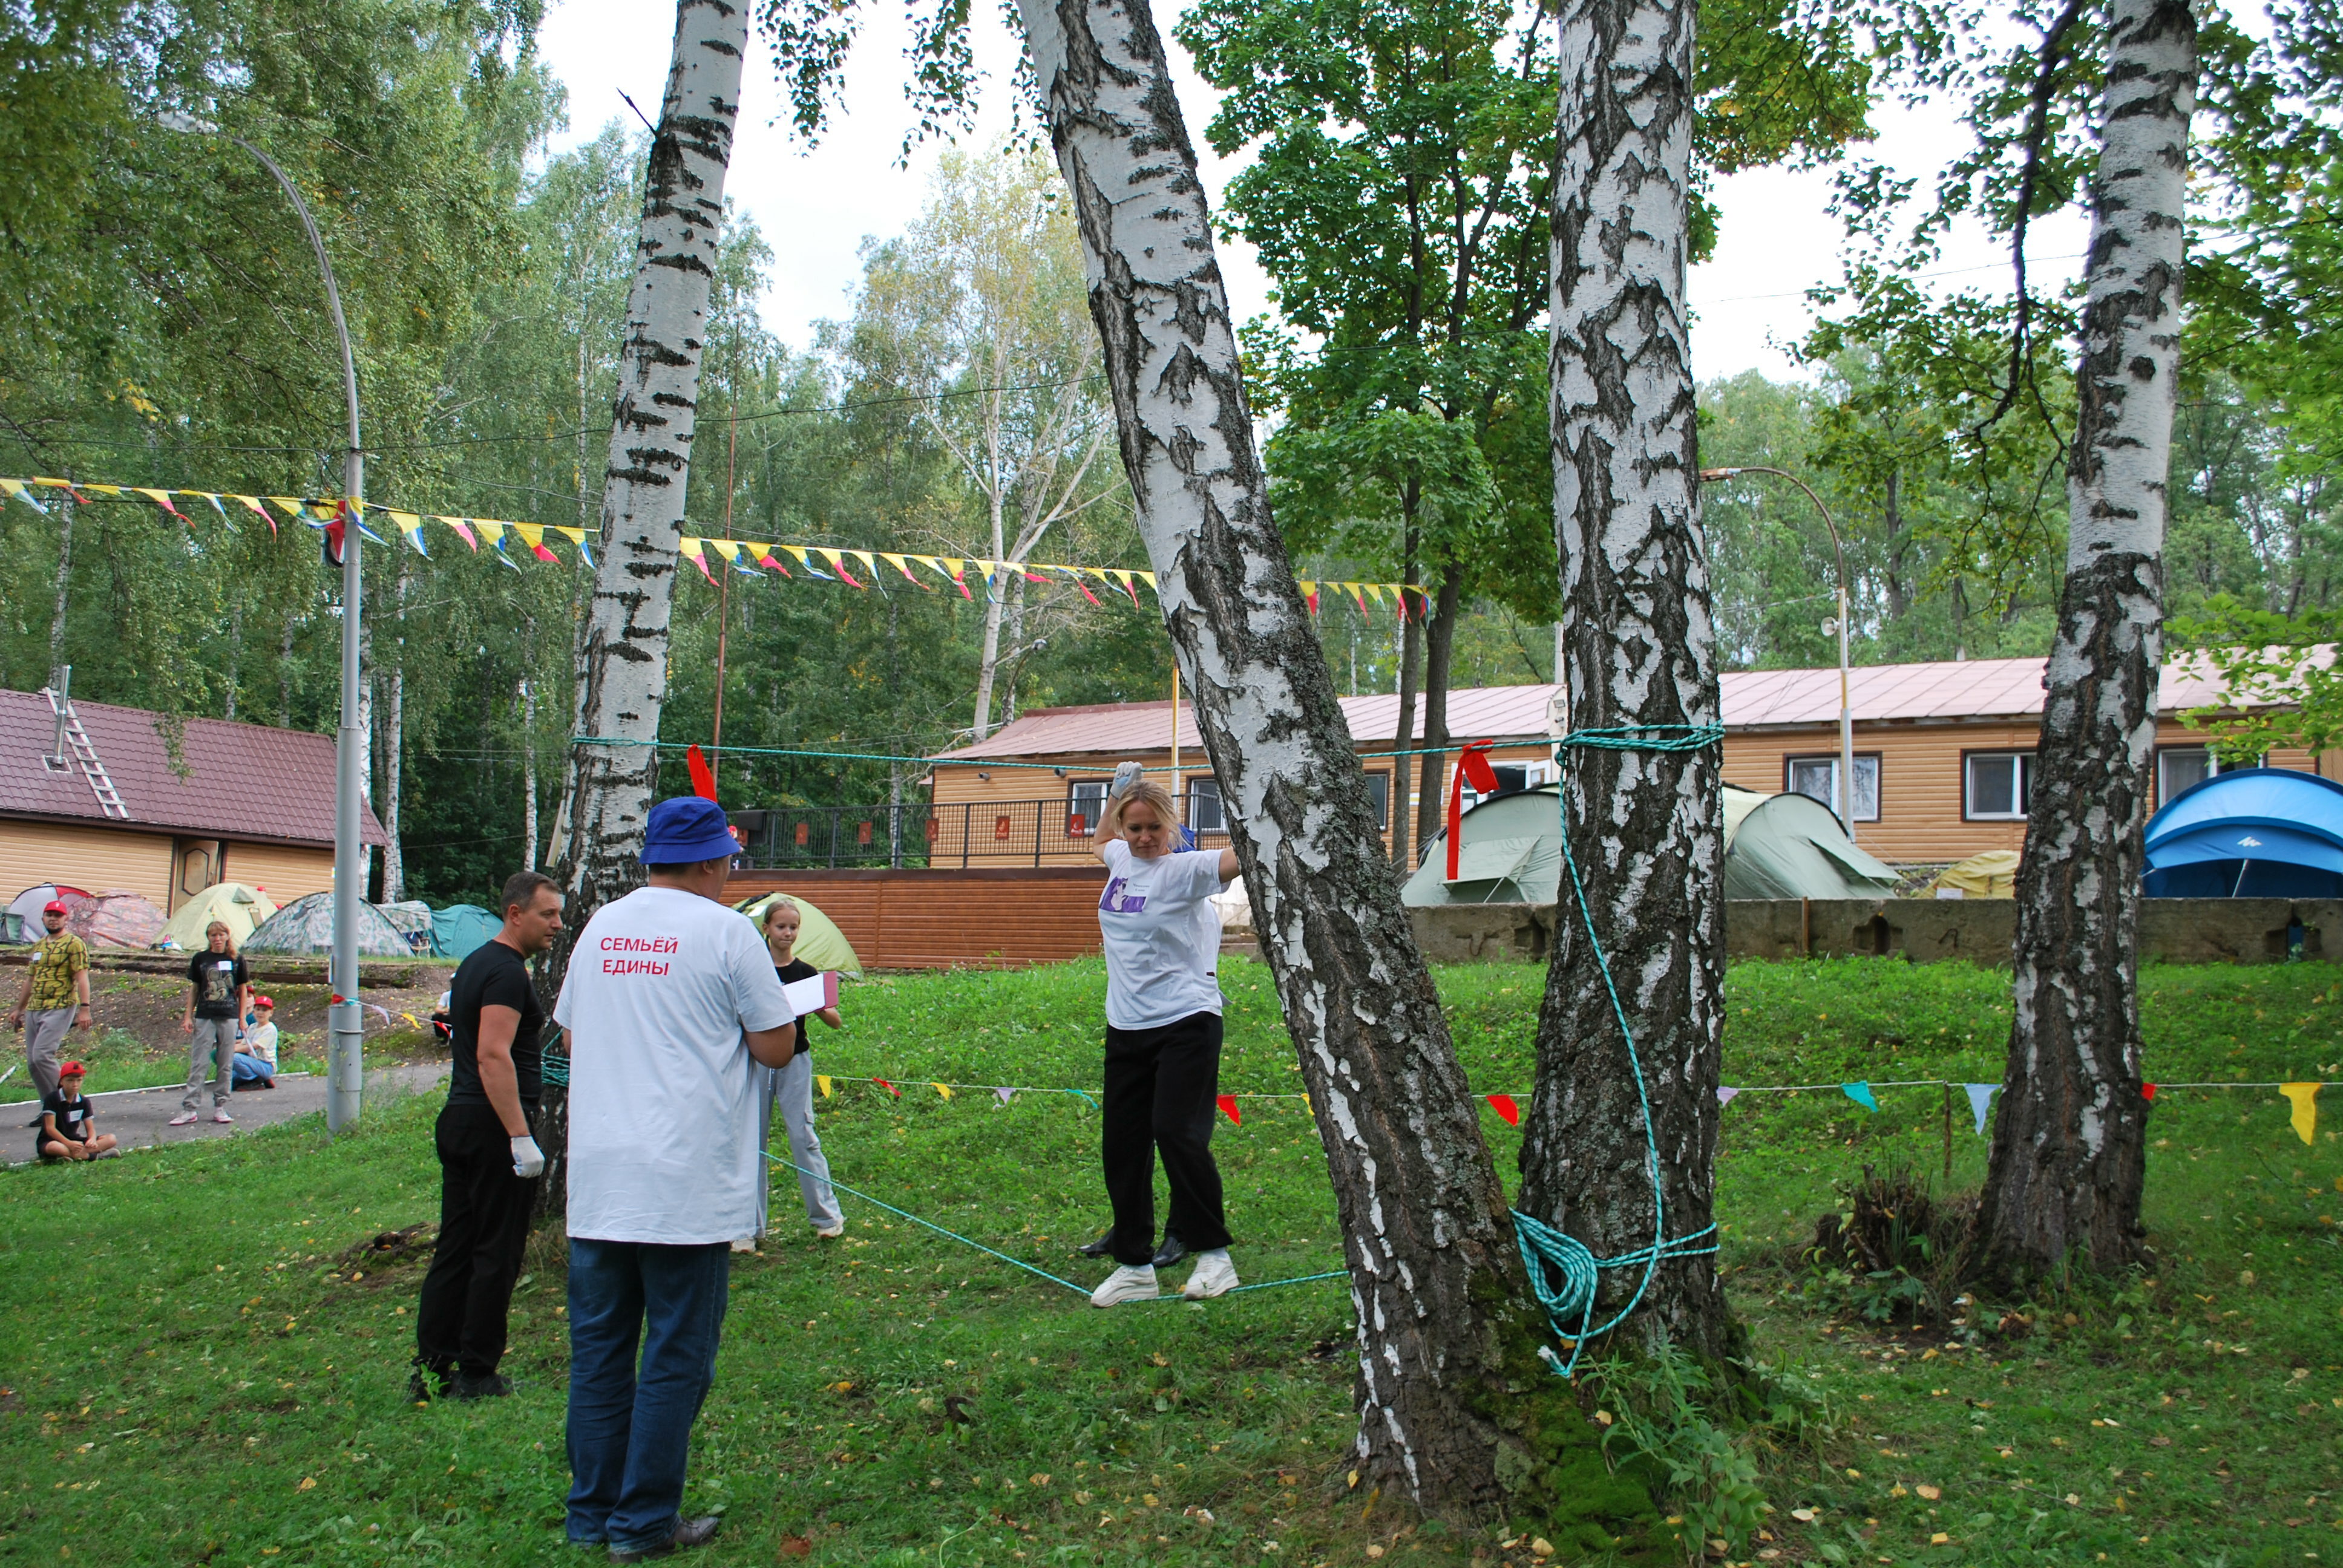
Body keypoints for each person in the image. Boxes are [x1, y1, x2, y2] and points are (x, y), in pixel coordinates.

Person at [554, 797, 796, 1562]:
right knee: (674, 1353)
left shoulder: (599, 926)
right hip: (683, 1184)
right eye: (729, 860)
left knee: (598, 1352)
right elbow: (774, 1048)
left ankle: (591, 1513)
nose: (731, 873)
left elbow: (570, 1028)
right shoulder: (727, 932)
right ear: (708, 862)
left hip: (599, 1177)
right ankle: (643, 1521)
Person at [1085, 768, 1244, 1307]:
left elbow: (1242, 857)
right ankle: (1133, 1266)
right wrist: (1113, 798)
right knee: (1122, 1145)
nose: (1144, 837)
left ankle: (1214, 1258)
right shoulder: (1120, 858)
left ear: (1170, 828)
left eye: (1154, 827)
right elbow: (1099, 841)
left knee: (1177, 1132)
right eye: (1136, 828)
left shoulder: (1186, 870)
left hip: (1186, 1021)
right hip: (1126, 1026)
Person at [411, 871, 563, 1403]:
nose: (557, 925)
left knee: (455, 1247)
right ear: (515, 913)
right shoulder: (504, 973)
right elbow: (492, 1054)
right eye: (548, 914)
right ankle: (476, 1373)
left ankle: (432, 1368)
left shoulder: (475, 963)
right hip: (492, 1123)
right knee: (496, 1252)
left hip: (462, 1117)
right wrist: (520, 1136)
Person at [750, 897, 844, 1247]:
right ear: (767, 930)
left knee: (803, 1136)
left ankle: (826, 1217)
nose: (787, 933)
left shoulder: (806, 973)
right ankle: (748, 1226)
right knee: (752, 1141)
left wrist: (818, 1005)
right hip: (755, 1062)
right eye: (780, 927)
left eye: (793, 927)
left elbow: (834, 1020)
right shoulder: (753, 970)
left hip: (795, 1061)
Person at [8, 900, 92, 1102]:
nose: (53, 919)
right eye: (49, 915)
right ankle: (50, 1107)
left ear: (66, 918)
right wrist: (19, 1009)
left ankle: (71, 1103)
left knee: (42, 1056)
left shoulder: (74, 943)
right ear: (43, 918)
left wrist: (85, 1008)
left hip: (60, 1006)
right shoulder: (39, 945)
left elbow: (82, 977)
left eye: (58, 915)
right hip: (35, 1008)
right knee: (33, 1062)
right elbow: (30, 979)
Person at [169, 921, 249, 1126]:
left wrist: (242, 1018)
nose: (217, 939)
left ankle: (221, 1105)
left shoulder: (236, 959)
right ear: (209, 938)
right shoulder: (201, 959)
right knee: (199, 1062)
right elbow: (195, 988)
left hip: (229, 1015)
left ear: (227, 936)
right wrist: (188, 1015)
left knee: (225, 1062)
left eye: (221, 935)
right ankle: (190, 1108)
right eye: (213, 935)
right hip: (205, 1014)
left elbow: (242, 989)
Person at [36, 1060, 117, 1163]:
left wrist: (92, 1140)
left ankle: (67, 1157)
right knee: (55, 1147)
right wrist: (68, 1143)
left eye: (79, 1080)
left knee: (111, 1139)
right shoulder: (52, 1099)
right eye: (70, 1080)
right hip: (51, 1140)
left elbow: (90, 1128)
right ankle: (93, 1157)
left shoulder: (84, 1101)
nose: (75, 1085)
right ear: (62, 1082)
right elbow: (50, 1128)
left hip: (74, 1140)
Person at [232, 996, 281, 1089]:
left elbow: (253, 1046)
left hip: (266, 1065)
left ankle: (255, 1079)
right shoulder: (252, 1027)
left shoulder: (270, 1029)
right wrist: (228, 1046)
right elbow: (243, 1043)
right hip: (254, 1063)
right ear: (254, 1011)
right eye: (258, 1009)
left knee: (235, 1058)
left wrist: (231, 1050)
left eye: (264, 1010)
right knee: (231, 1079)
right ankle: (255, 1080)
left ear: (271, 1013)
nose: (260, 1013)